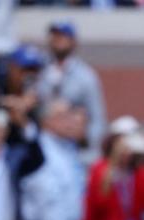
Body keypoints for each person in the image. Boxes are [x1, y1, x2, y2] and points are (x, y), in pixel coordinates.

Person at [36, 21, 106, 163]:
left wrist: (85, 138)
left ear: (73, 41)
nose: (58, 40)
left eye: (63, 36)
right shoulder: (40, 70)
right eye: (55, 36)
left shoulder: (85, 75)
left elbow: (97, 117)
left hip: (75, 148)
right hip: (44, 145)